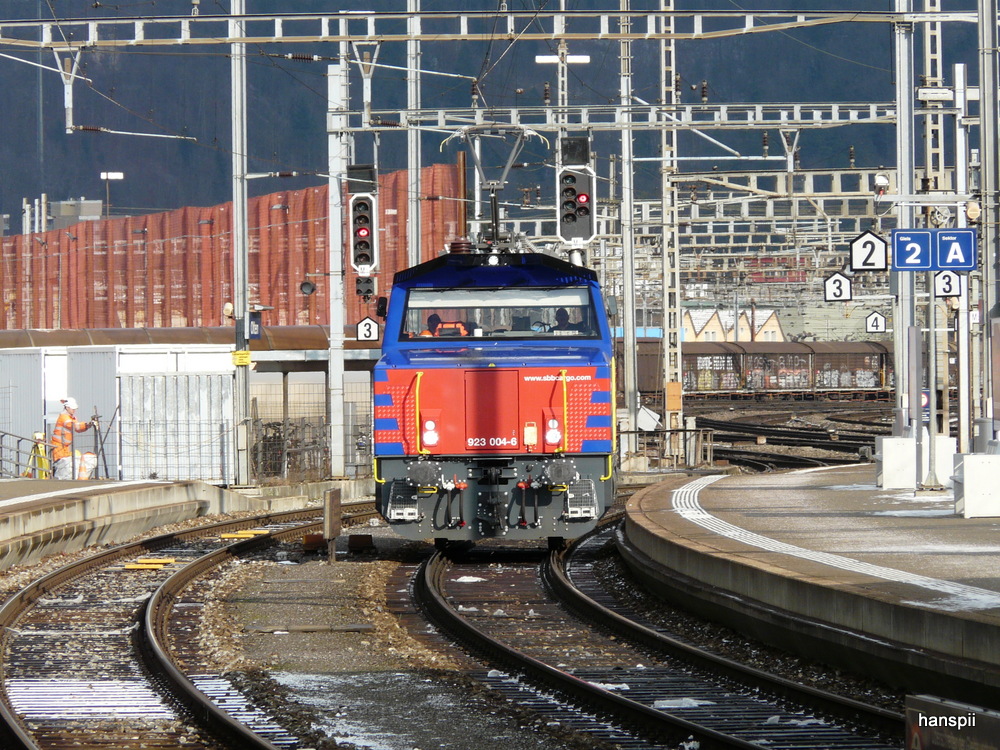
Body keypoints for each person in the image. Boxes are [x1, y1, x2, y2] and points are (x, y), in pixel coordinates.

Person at [51, 397, 95, 480]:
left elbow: (77, 428)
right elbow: (74, 426)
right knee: (61, 465)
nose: (74, 410)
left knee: (65, 466)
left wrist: (88, 425)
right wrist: (86, 424)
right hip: (58, 446)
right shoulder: (64, 418)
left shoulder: (70, 418)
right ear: (67, 407)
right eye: (73, 408)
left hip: (64, 446)